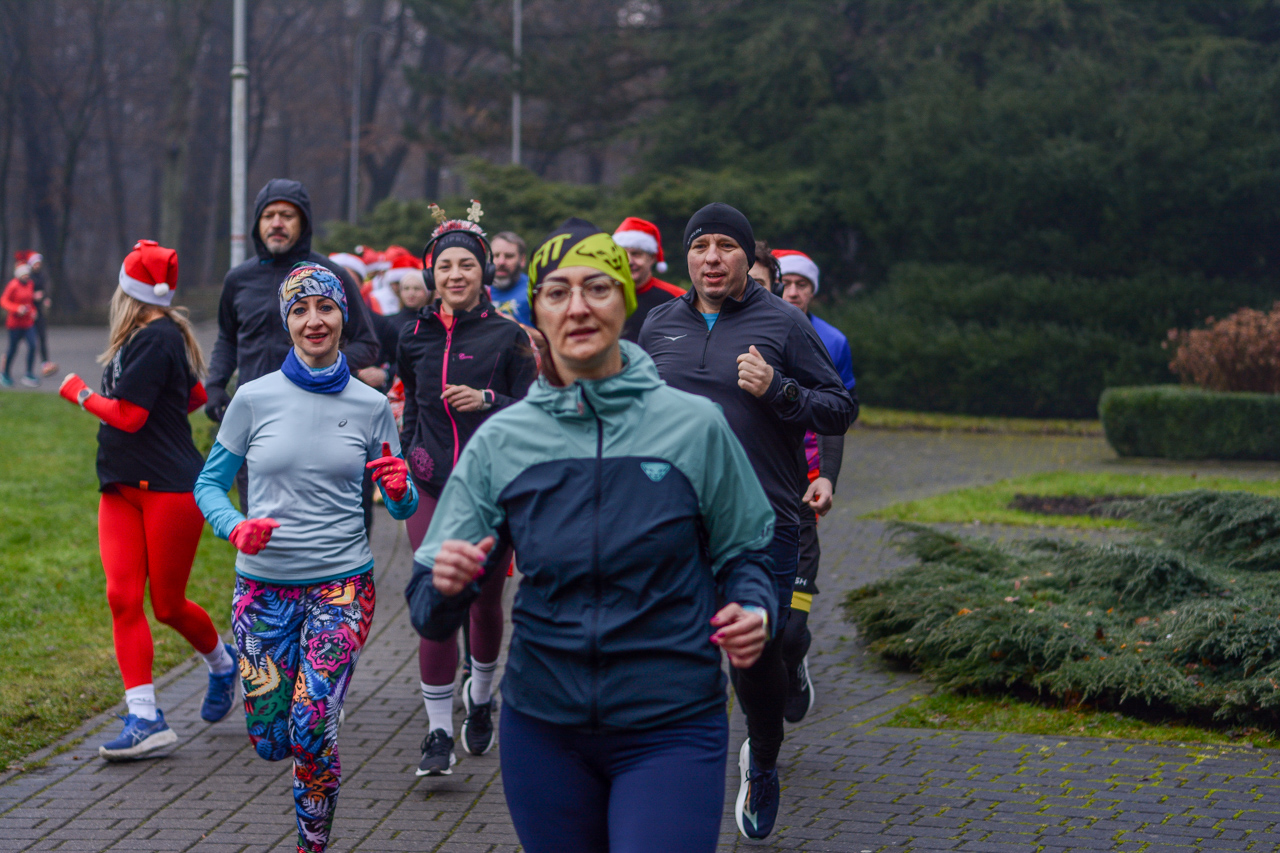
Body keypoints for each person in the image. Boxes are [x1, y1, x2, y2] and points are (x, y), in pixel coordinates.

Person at [406, 218, 778, 853]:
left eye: (598, 288)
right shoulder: (504, 440)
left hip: (670, 720)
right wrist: (445, 586)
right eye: (556, 291)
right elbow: (425, 607)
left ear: (625, 302)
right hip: (544, 725)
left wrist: (754, 606)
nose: (578, 306)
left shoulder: (694, 426)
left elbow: (745, 553)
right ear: (537, 315)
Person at [638, 202, 857, 841]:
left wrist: (777, 391)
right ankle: (674, 776)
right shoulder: (658, 324)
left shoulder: (783, 322)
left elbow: (840, 408)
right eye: (701, 245)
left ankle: (762, 757)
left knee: (754, 655)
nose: (712, 257)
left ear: (745, 256)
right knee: (679, 653)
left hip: (763, 520)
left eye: (726, 246)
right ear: (688, 255)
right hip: (677, 519)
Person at [193, 263, 419, 853]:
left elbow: (401, 505)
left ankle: (310, 844)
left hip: (341, 588)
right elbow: (208, 486)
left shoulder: (371, 405)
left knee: (312, 726)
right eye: (299, 310)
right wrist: (236, 526)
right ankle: (294, 725)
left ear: (344, 316)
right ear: (286, 320)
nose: (313, 321)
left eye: (325, 308)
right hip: (262, 591)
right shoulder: (253, 397)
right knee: (272, 739)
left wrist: (399, 490)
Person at [56, 240, 237, 760]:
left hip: (170, 488)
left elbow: (131, 417)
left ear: (127, 289)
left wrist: (79, 393)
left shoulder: (159, 338)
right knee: (121, 598)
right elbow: (195, 397)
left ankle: (223, 665)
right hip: (120, 486)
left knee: (169, 605)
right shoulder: (148, 337)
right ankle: (145, 716)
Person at [397, 211, 537, 776]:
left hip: (489, 489)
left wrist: (488, 400)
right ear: (431, 272)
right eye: (445, 265)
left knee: (482, 600)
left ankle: (480, 697)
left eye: (467, 264)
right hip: (429, 483)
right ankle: (436, 733)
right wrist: (408, 456)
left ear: (483, 272)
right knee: (435, 595)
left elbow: (534, 412)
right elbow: (410, 405)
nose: (455, 274)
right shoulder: (411, 334)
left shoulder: (508, 336)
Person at [771, 248, 857, 723]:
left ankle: (794, 651)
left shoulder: (831, 340)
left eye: (802, 285)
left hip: (801, 483)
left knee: (790, 624)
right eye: (787, 284)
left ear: (813, 290)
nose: (793, 292)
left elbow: (838, 412)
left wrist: (828, 473)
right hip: (749, 484)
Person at [612, 216, 684, 343]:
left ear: (652, 258)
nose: (629, 262)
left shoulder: (677, 298)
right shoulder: (603, 294)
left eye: (636, 254)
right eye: (623, 255)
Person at [1, 263, 39, 387]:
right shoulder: (13, 285)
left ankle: (29, 373)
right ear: (19, 275)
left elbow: (30, 302)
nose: (26, 276)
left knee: (33, 346)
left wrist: (33, 312)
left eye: (27, 274)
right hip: (15, 324)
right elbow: (4, 301)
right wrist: (17, 308)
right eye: (24, 274)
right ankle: (5, 373)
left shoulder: (30, 284)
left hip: (27, 323)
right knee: (12, 349)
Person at [487, 231, 530, 325]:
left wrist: (517, 327)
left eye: (509, 256)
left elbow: (551, 338)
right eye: (496, 256)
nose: (501, 262)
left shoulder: (534, 291)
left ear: (522, 260)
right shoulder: (477, 291)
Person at [28, 253, 57, 376]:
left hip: (39, 312)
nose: (38, 266)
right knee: (25, 341)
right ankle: (6, 363)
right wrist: (33, 296)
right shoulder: (28, 278)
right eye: (36, 264)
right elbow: (24, 294)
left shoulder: (42, 276)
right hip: (28, 313)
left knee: (42, 338)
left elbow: (45, 290)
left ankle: (45, 363)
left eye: (39, 263)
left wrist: (46, 298)